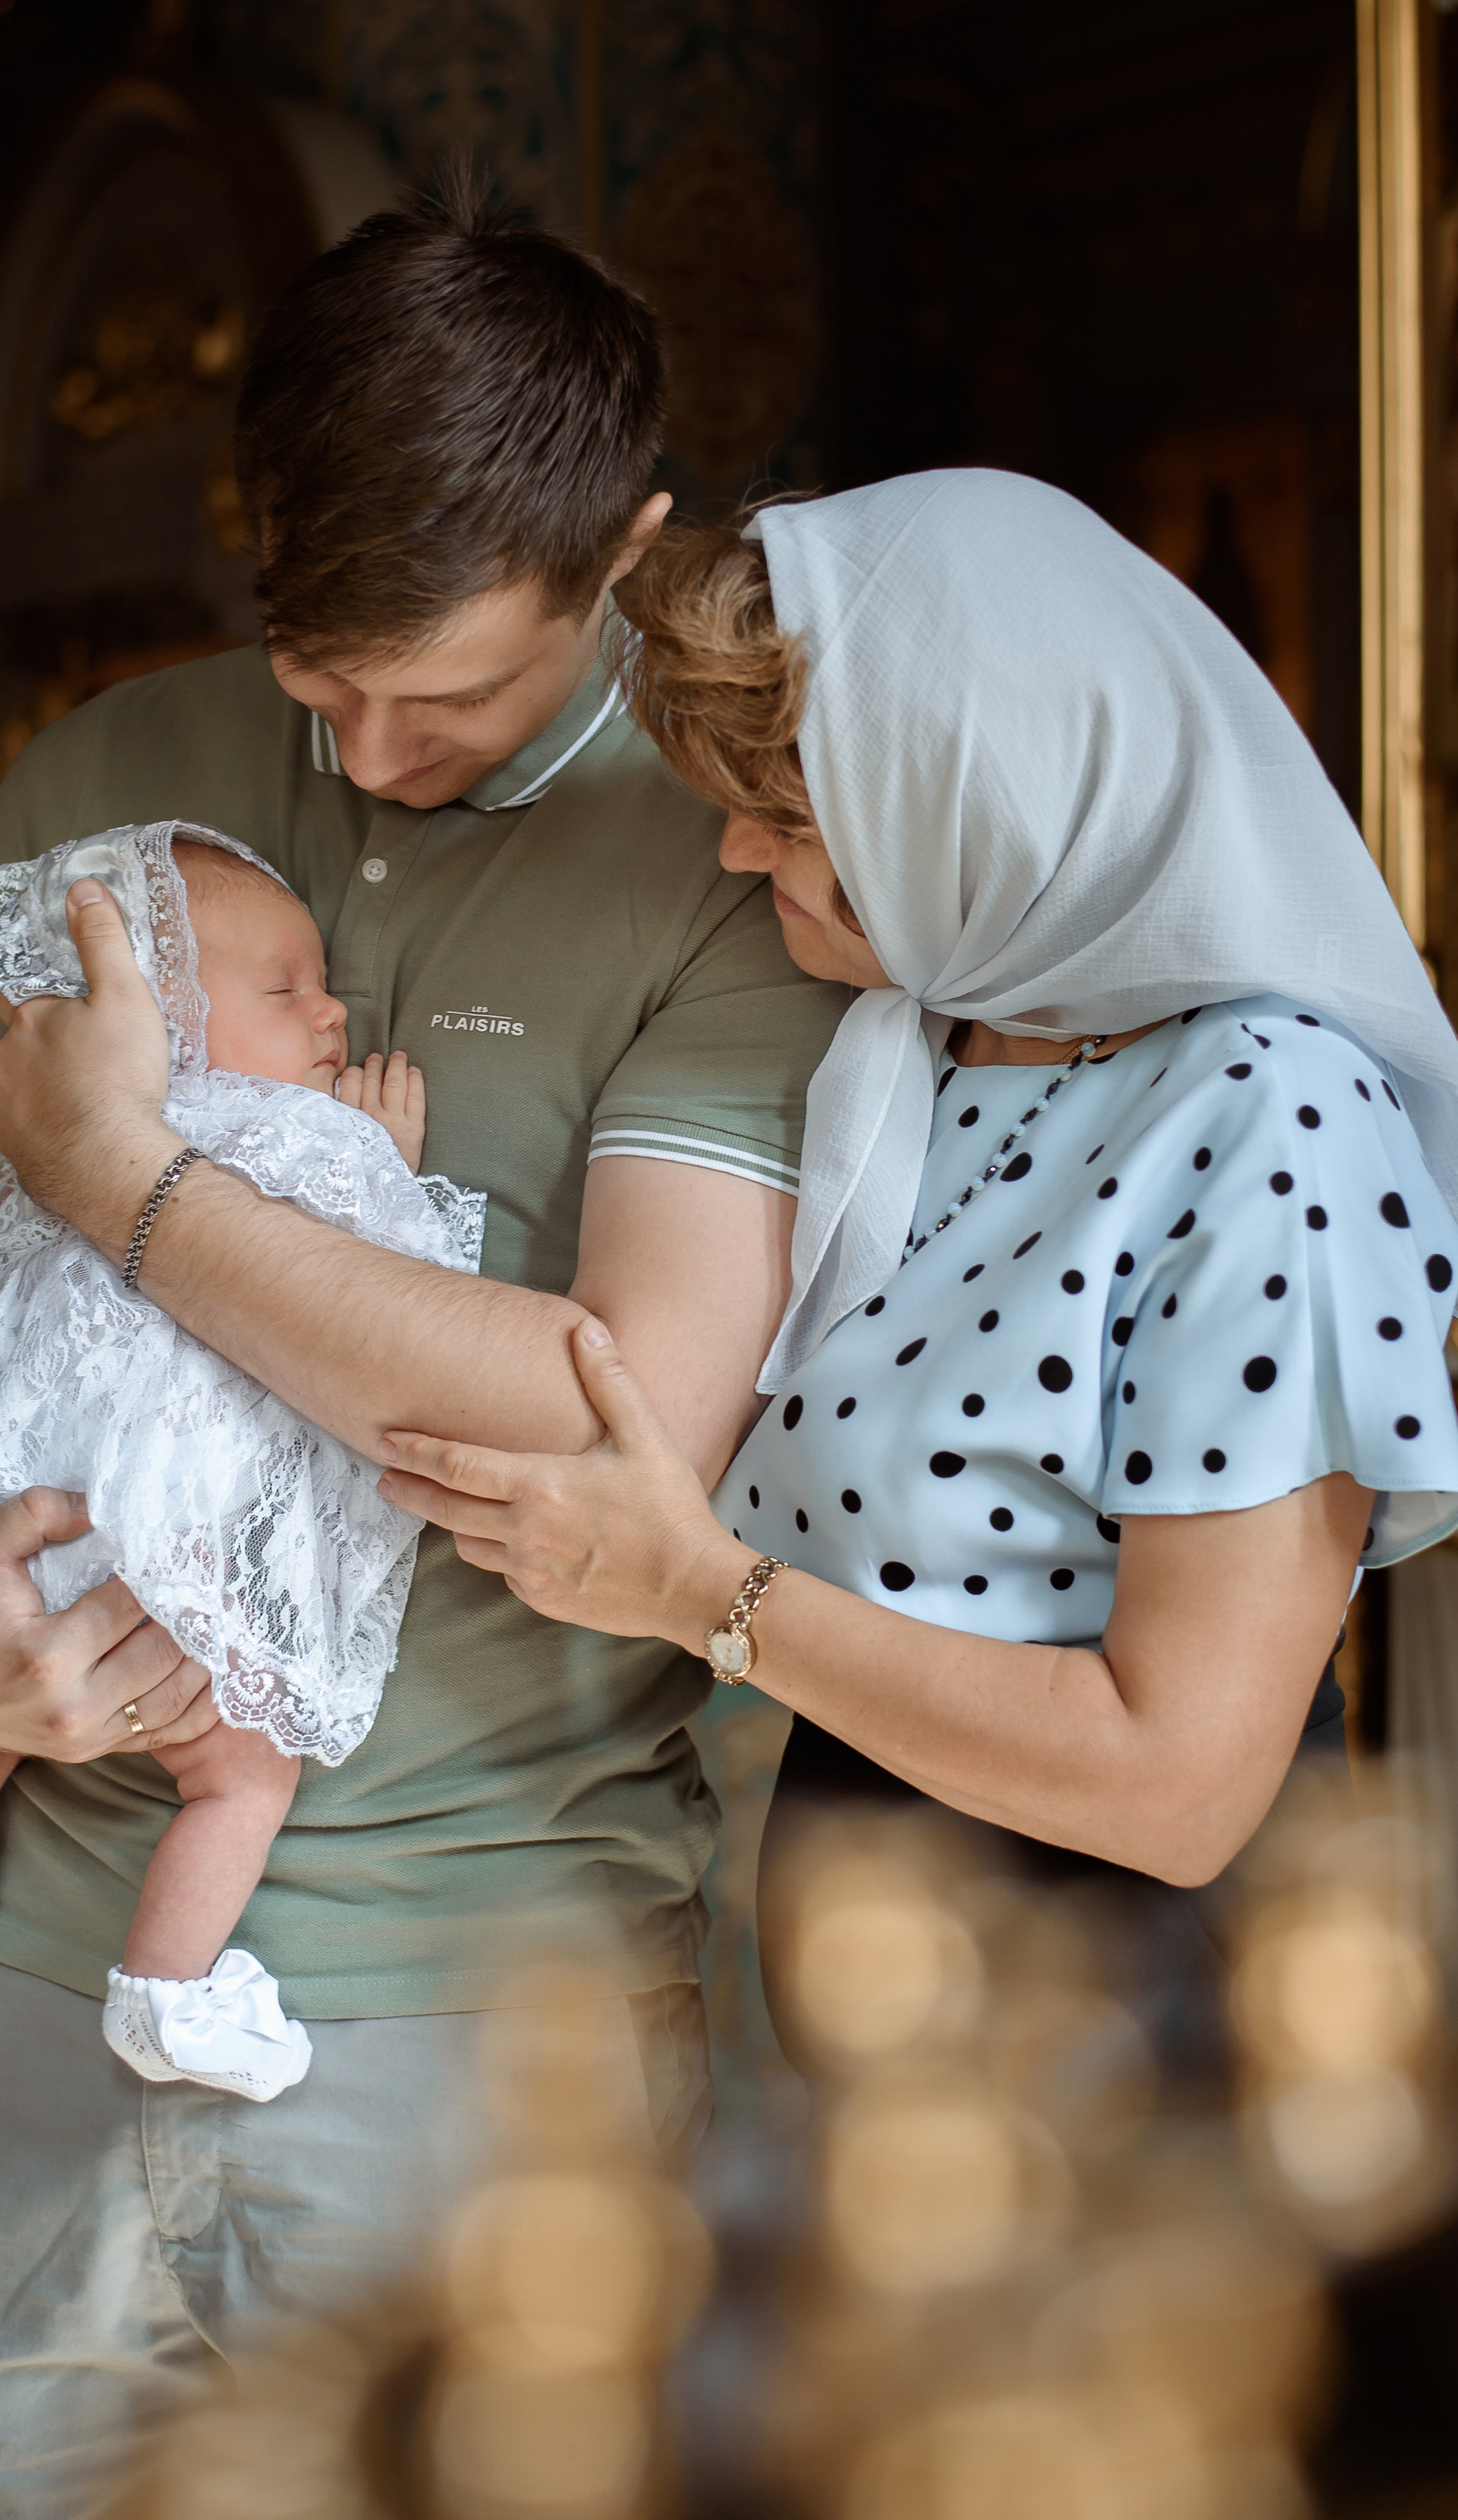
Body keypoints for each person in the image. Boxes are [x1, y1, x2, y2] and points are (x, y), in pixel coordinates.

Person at [0, 179, 847, 2514]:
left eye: (449, 696)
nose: (371, 753)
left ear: (625, 550)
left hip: (493, 2022)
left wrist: (128, 1178)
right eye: (316, 680)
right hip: (36, 1989)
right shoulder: (101, 788)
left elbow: (617, 1409)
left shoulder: (733, 853)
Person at [368, 471, 1458, 2065]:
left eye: (798, 822)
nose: (733, 851)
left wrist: (697, 1591)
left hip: (1123, 2041)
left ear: (987, 815)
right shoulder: (921, 1047)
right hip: (885, 2017)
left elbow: (1182, 1790)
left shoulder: (1269, 1116)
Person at [0, 822, 483, 2114]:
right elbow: (388, 1312)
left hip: (22, 1521)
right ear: (167, 1020)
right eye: (285, 989)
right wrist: (384, 1164)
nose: (332, 1011)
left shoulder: (48, 1131)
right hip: (172, 1551)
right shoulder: (289, 1142)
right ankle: (168, 1990)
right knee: (243, 1775)